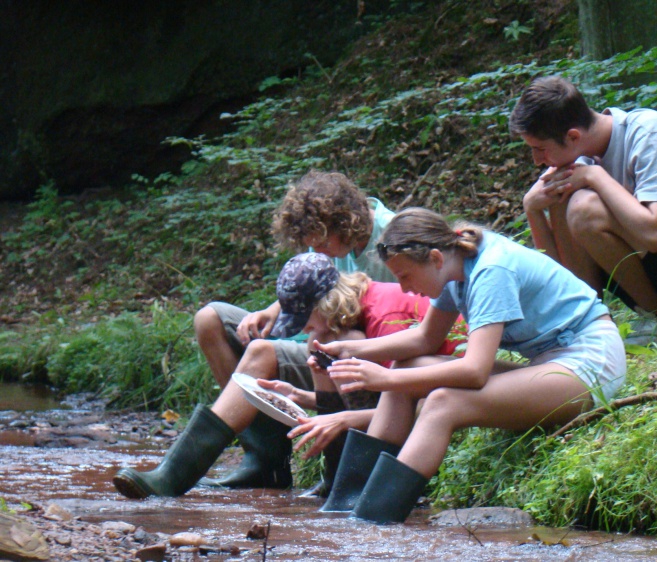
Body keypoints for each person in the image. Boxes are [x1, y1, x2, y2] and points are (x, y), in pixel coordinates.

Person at [309, 208, 627, 524]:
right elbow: (424, 339)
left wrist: (385, 379)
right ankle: (345, 506)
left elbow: (474, 372)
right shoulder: (453, 265)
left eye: (405, 276)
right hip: (550, 362)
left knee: (443, 403)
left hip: (590, 363)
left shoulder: (491, 271)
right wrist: (348, 351)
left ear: (435, 258)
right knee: (405, 366)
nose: (404, 288)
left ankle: (370, 522)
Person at [112, 252, 464, 501]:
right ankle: (177, 475)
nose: (304, 330)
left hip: (443, 384)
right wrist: (303, 397)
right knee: (307, 349)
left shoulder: (385, 322)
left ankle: (347, 483)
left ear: (327, 305)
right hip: (397, 386)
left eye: (305, 320)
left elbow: (408, 403)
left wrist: (341, 419)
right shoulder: (353, 309)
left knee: (334, 347)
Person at [191, 170, 396, 492]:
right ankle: (264, 458)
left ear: (346, 223)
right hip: (320, 339)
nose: (319, 252)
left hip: (357, 353)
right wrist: (272, 310)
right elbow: (314, 285)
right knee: (210, 319)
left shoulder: (393, 238)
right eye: (312, 246)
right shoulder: (329, 242)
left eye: (323, 244)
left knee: (263, 351)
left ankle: (182, 471)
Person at [508, 76, 657, 343]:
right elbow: (561, 276)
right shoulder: (579, 159)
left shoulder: (652, 134)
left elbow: (656, 235)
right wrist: (532, 209)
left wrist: (596, 176)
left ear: (573, 136)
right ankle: (587, 326)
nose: (537, 160)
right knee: (563, 195)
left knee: (583, 207)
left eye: (540, 149)